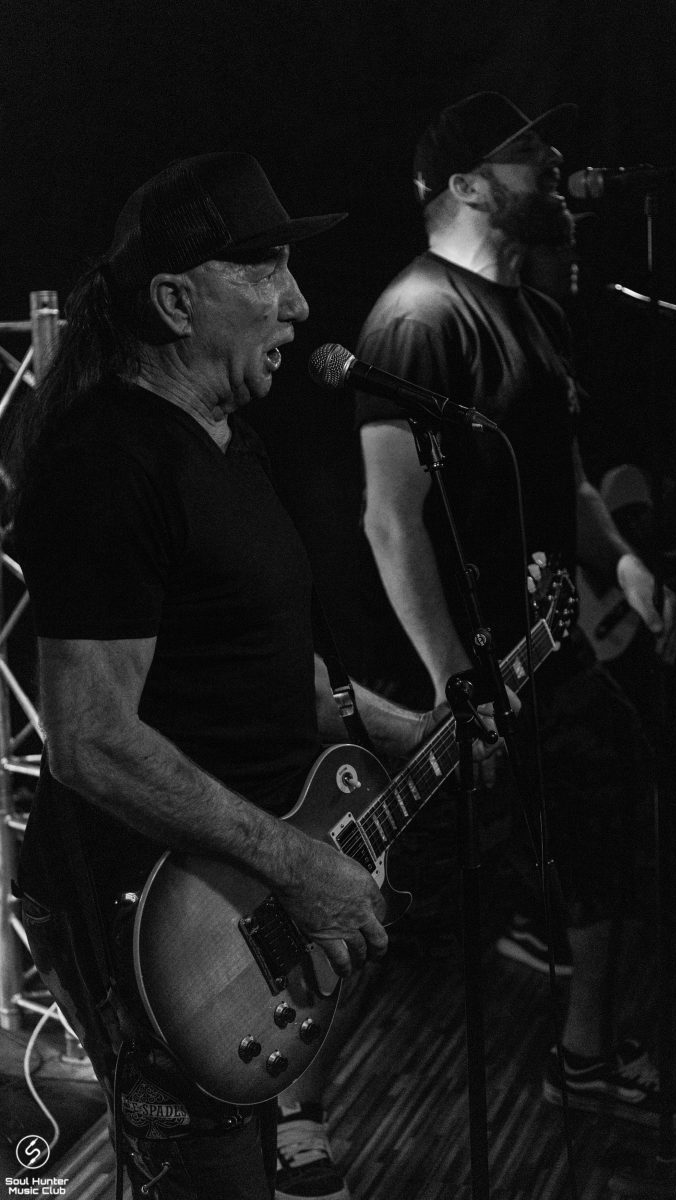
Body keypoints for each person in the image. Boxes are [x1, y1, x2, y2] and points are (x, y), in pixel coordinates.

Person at [3, 152, 451, 1200]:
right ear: (174, 300)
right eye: (263, 271)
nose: (298, 303)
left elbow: (262, 658)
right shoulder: (107, 460)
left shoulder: (225, 439)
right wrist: (297, 865)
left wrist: (403, 729)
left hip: (238, 904)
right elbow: (89, 740)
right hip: (157, 925)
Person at [353, 91, 676, 1130]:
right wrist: (452, 682)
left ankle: (583, 1056)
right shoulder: (416, 318)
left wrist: (622, 563)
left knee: (611, 818)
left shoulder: (537, 313)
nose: (553, 159)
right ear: (467, 185)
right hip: (456, 672)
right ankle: (290, 1108)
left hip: (546, 651)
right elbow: (390, 520)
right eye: (526, 153)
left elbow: (569, 474)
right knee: (389, 894)